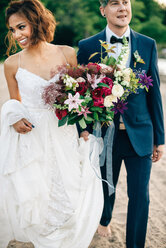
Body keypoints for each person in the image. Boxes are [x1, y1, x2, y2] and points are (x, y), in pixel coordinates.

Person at [0, 0, 104, 247]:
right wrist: (14, 119)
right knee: (38, 196)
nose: (17, 35)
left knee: (67, 190)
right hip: (32, 136)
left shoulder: (67, 53)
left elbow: (80, 97)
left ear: (36, 21)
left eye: (21, 27)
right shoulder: (11, 64)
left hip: (63, 131)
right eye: (13, 30)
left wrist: (85, 129)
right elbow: (15, 104)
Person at [77, 0, 165, 247]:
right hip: (105, 135)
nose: (122, 8)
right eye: (115, 3)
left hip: (141, 133)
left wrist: (160, 138)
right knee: (105, 190)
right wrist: (83, 129)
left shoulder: (147, 44)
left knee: (141, 198)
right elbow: (81, 91)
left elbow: (155, 93)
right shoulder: (87, 46)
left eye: (126, 2)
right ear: (103, 9)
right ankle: (104, 218)